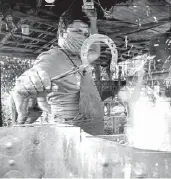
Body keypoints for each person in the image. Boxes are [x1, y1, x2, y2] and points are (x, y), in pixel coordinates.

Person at [10, 7, 105, 135]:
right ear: (61, 33)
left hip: (90, 137)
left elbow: (96, 52)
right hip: (68, 138)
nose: (83, 37)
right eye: (77, 31)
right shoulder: (52, 57)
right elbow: (33, 76)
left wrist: (93, 22)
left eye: (86, 34)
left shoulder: (80, 59)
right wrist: (24, 86)